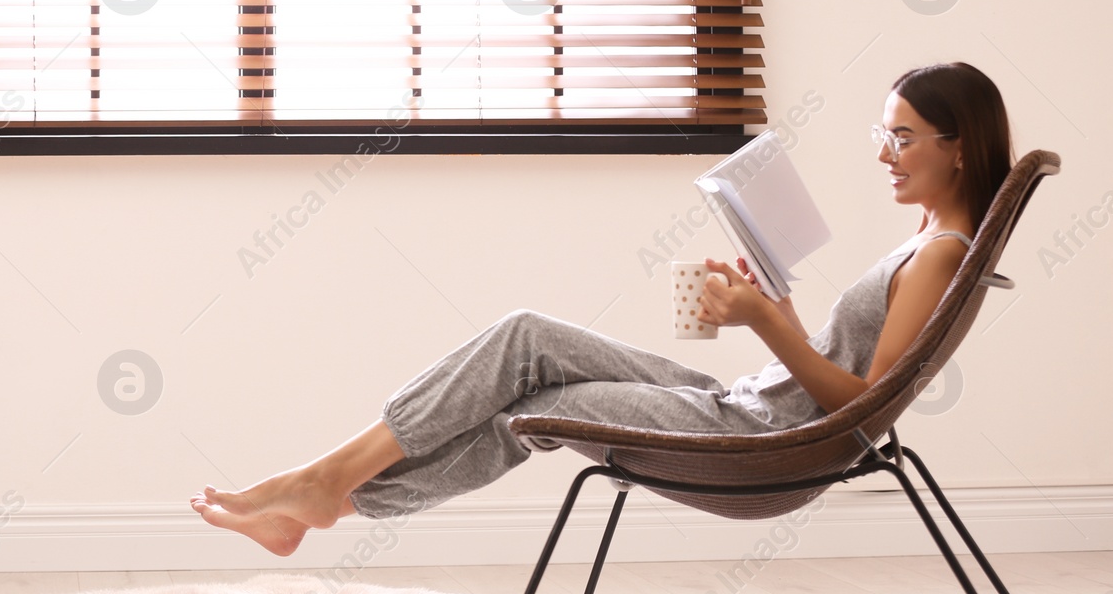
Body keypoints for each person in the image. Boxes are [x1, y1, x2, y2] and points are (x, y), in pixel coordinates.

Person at [191, 62, 1016, 556]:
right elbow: (837, 382)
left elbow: (859, 412)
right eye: (884, 132)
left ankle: (330, 488)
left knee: (532, 394)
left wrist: (764, 324)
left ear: (961, 146)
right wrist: (774, 302)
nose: (883, 153)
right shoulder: (928, 245)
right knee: (525, 343)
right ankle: (329, 492)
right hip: (747, 410)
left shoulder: (941, 252)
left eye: (902, 136)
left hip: (760, 441)